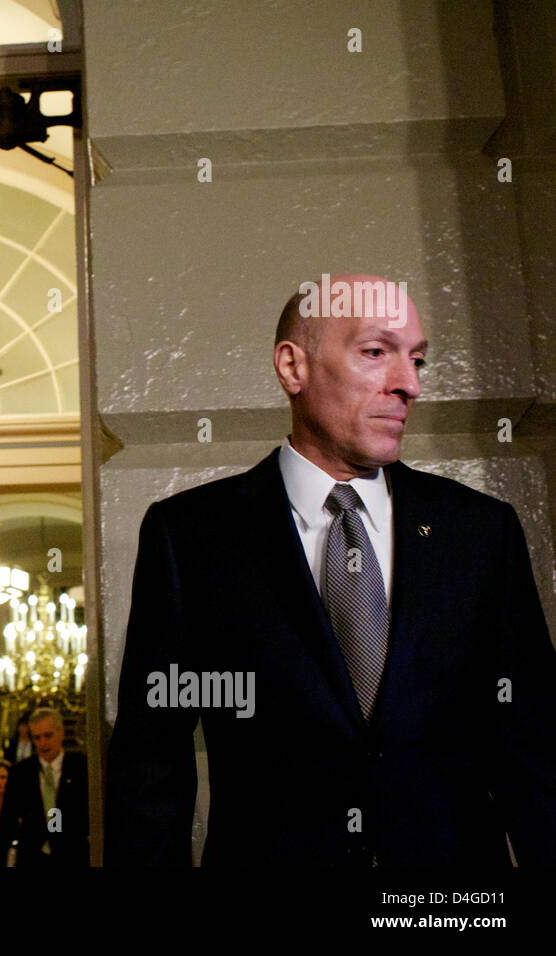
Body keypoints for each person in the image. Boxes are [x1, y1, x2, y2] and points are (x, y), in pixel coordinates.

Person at [106, 274, 556, 866]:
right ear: (293, 367)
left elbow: (535, 754)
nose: (410, 384)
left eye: (417, 359)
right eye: (376, 352)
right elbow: (150, 772)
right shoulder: (189, 536)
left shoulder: (480, 531)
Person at [0, 708, 89, 866]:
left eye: (48, 736)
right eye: (37, 738)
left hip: (73, 855)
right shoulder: (20, 773)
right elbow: (7, 822)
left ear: (61, 733)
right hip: (33, 857)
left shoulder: (81, 767)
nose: (43, 743)